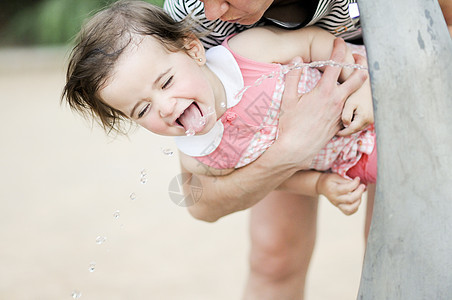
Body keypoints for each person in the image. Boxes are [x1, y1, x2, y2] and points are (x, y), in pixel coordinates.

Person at [62, 1, 371, 299]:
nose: (165, 107)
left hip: (367, 100)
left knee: (387, 239)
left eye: (167, 82)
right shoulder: (201, 154)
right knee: (275, 255)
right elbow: (262, 182)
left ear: (195, 50)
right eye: (142, 111)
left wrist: (364, 86)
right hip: (350, 162)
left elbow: (314, 43)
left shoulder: (249, 54)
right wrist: (318, 183)